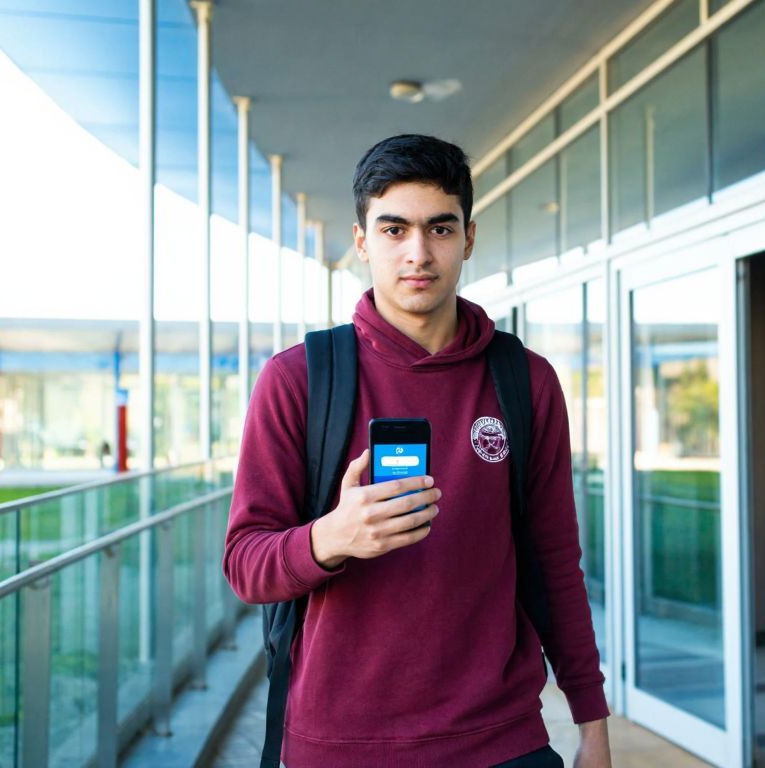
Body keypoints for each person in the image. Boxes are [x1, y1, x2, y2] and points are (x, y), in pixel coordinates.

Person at [223, 134, 612, 767]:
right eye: (394, 229)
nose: (418, 253)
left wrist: (591, 723)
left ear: (468, 237)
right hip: (340, 746)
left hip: (501, 740)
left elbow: (555, 562)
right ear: (361, 240)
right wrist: (331, 537)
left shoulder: (525, 381)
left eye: (439, 228)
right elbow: (245, 562)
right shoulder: (298, 379)